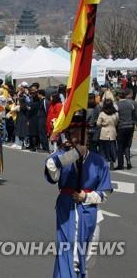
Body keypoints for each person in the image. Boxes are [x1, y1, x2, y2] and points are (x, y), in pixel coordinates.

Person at [45, 113, 113, 278]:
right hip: (67, 210)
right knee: (69, 254)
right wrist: (74, 154)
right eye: (73, 132)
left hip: (91, 213)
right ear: (68, 135)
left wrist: (86, 197)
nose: (78, 135)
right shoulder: (61, 156)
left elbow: (104, 192)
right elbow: (51, 168)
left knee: (87, 257)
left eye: (81, 132)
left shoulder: (99, 161)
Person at [115, 89, 136, 170]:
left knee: (120, 146)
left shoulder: (117, 105)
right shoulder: (130, 104)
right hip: (130, 126)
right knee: (127, 145)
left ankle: (120, 164)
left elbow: (116, 116)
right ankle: (128, 161)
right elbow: (133, 114)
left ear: (118, 96)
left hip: (121, 126)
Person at [96, 99, 118, 170]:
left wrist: (103, 124)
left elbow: (98, 123)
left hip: (104, 132)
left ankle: (104, 163)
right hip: (112, 132)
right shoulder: (115, 113)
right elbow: (116, 122)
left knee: (103, 149)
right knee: (112, 148)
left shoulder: (102, 113)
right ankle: (111, 161)